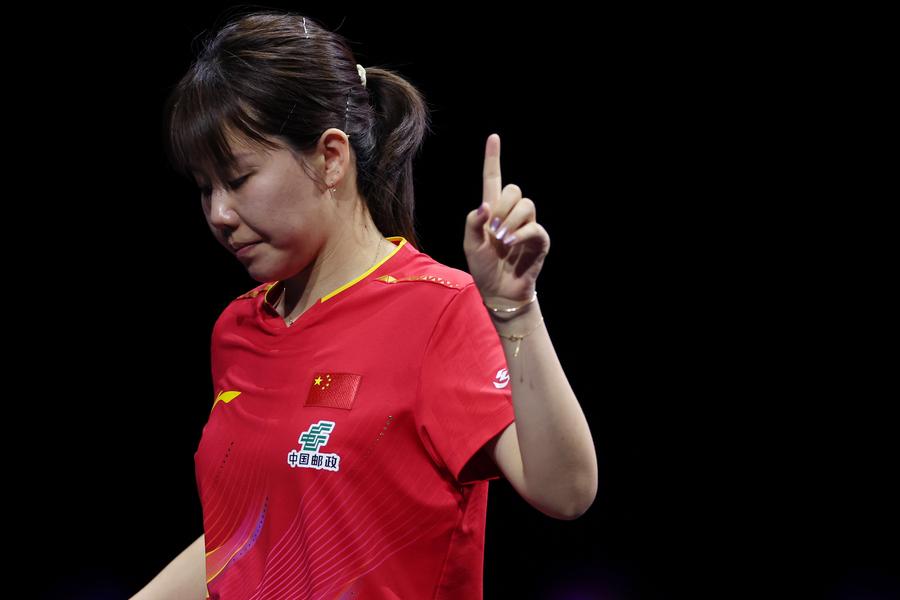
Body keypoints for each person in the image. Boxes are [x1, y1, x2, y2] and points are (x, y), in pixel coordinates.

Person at [133, 9, 597, 600]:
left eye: (238, 178)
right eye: (205, 188)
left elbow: (566, 491)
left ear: (330, 156)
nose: (219, 214)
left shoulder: (438, 310)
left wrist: (517, 308)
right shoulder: (238, 329)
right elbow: (249, 538)